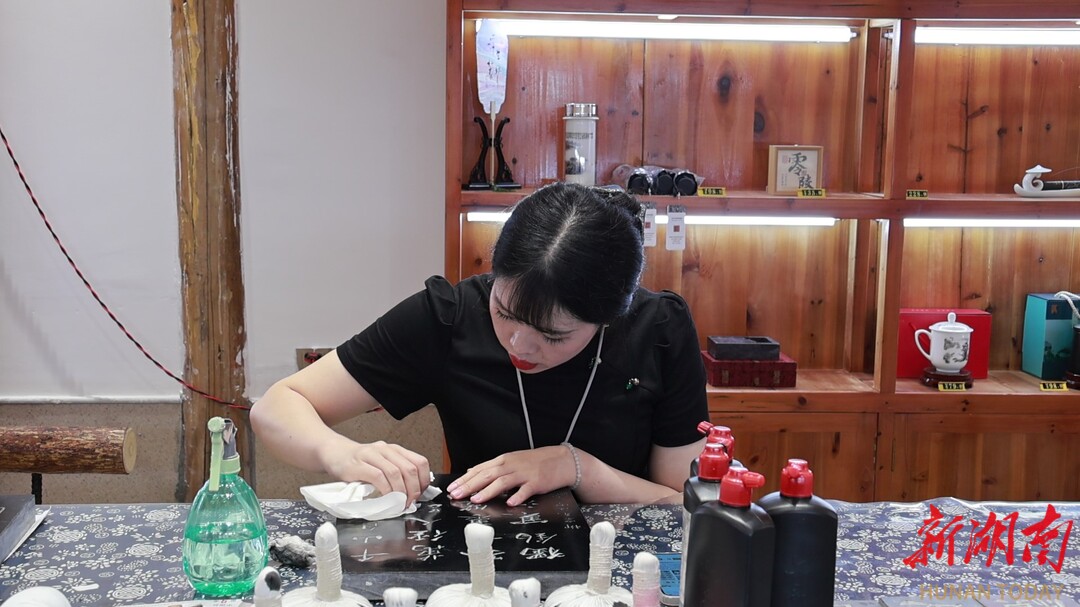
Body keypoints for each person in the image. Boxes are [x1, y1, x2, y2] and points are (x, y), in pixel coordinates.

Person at [250, 182, 709, 507]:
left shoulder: (658, 330)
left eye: (553, 335)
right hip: (480, 565)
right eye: (504, 312)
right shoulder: (449, 317)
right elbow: (275, 407)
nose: (519, 344)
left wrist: (576, 468)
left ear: (609, 318)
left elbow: (684, 503)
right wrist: (342, 453)